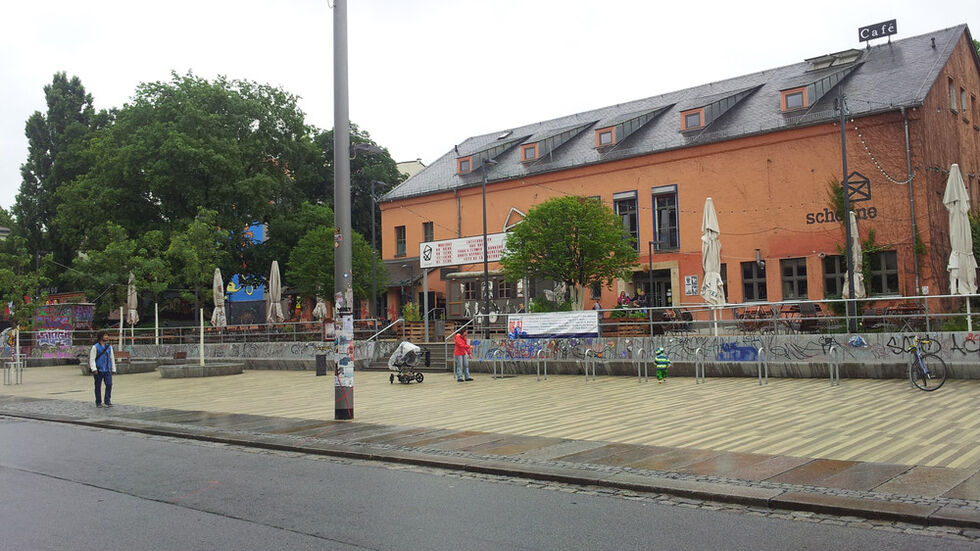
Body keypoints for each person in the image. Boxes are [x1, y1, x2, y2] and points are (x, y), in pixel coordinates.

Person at [89, 331, 117, 407]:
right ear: (101, 337)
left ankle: (107, 400)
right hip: (98, 370)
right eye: (105, 335)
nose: (107, 337)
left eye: (107, 335)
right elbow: (92, 359)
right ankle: (98, 402)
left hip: (107, 369)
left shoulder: (109, 347)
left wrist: (113, 368)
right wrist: (94, 369)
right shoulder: (95, 347)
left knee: (109, 384)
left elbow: (112, 358)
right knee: (98, 386)